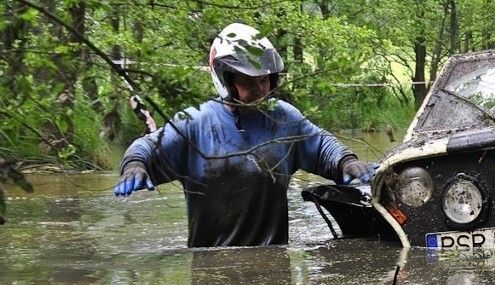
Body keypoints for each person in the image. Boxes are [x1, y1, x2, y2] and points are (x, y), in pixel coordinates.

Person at [113, 23, 375, 247]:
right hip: (210, 268)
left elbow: (322, 147)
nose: (260, 89)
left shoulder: (284, 118)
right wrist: (135, 164)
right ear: (225, 80)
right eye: (248, 82)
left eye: (265, 80)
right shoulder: (195, 123)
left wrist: (348, 163)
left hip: (275, 263)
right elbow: (148, 146)